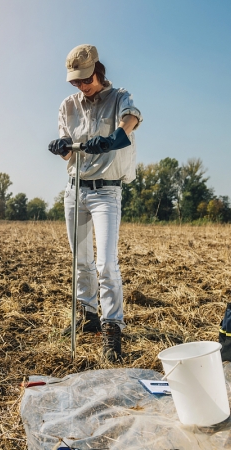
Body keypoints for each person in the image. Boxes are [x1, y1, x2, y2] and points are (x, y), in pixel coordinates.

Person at [48, 44, 142, 362]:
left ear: (97, 72)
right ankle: (87, 316)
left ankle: (112, 327)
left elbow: (130, 119)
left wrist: (115, 137)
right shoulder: (68, 106)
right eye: (75, 81)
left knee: (105, 264)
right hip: (75, 191)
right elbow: (70, 153)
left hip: (106, 193)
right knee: (81, 261)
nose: (81, 86)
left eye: (85, 80)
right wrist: (61, 147)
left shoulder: (119, 97)